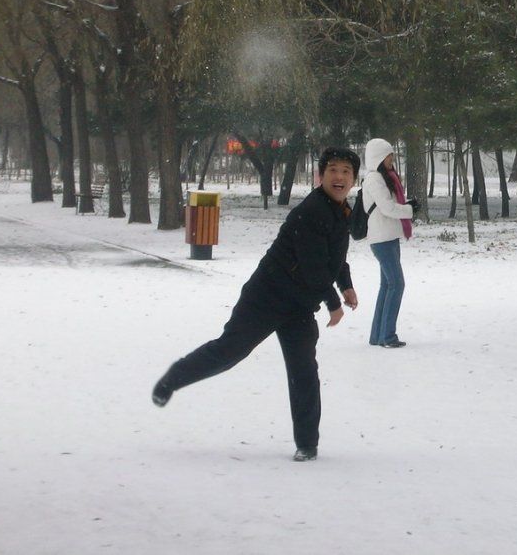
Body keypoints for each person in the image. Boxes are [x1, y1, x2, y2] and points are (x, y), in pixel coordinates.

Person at [151, 147, 361, 462]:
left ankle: (307, 444)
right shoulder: (313, 210)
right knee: (228, 353)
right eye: (333, 170)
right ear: (321, 175)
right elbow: (314, 265)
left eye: (346, 171)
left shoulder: (341, 211)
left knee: (304, 371)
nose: (339, 177)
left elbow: (335, 258)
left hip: (299, 307)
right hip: (266, 297)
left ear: (354, 179)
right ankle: (173, 378)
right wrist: (334, 302)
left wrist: (346, 285)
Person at [362, 138, 418, 348]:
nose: (392, 159)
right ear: (378, 157)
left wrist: (407, 205)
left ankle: (378, 335)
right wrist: (410, 210)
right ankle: (388, 336)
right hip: (381, 238)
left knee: (387, 285)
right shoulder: (375, 179)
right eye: (389, 156)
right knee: (397, 283)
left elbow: (392, 205)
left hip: (389, 235)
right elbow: (387, 208)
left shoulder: (385, 177)